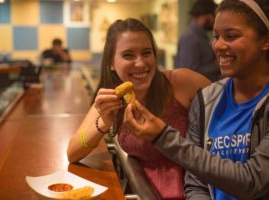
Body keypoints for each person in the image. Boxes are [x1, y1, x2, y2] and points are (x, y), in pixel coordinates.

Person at [124, 0, 269, 199]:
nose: (218, 46)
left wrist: (163, 137)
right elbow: (196, 183)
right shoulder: (206, 100)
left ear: (266, 40)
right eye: (216, 36)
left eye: (231, 36)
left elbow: (252, 180)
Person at [67, 18, 211, 199]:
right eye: (128, 55)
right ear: (111, 62)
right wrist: (103, 122)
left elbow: (231, 114)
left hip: (195, 190)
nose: (141, 63)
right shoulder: (111, 99)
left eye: (146, 53)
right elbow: (72, 153)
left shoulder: (180, 82)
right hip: (143, 190)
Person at [174, 0, 221, 82]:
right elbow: (188, 72)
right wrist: (215, 65)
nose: (215, 22)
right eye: (214, 17)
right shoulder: (191, 38)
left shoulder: (200, 36)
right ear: (207, 16)